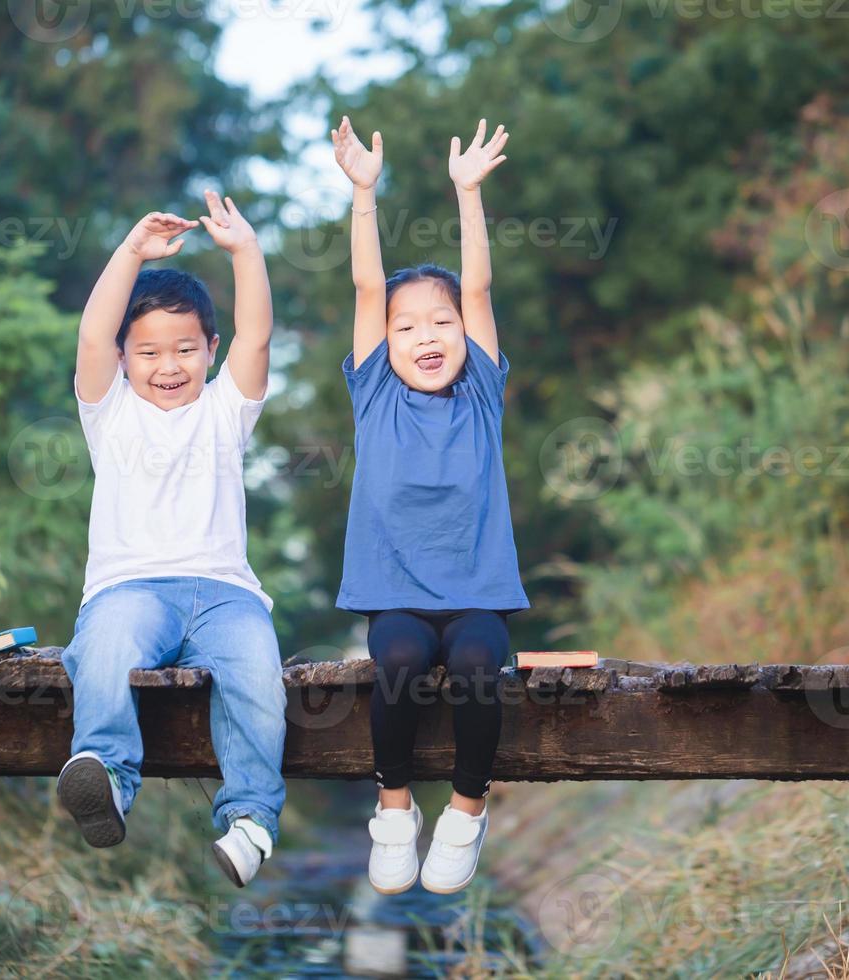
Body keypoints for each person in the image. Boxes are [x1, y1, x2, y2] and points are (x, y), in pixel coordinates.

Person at [57, 190, 285, 889]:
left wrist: (246, 251)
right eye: (149, 351)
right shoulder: (111, 415)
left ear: (210, 351)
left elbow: (258, 337)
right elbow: (91, 335)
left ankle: (251, 822)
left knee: (257, 678)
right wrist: (130, 251)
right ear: (125, 358)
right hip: (130, 588)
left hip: (226, 596)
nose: (169, 364)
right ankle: (107, 777)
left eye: (186, 349)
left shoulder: (225, 412)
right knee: (105, 647)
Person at [331, 115, 529, 895]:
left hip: (476, 596)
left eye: (441, 323)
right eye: (407, 326)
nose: (426, 335)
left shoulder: (481, 393)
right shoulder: (374, 392)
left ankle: (468, 812)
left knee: (481, 665)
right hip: (399, 598)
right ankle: (393, 810)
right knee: (403, 663)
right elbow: (367, 286)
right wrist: (362, 194)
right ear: (384, 342)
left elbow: (476, 285)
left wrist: (467, 194)